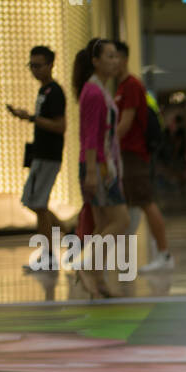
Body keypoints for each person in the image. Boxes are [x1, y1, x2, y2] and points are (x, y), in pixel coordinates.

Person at [73, 38, 129, 299]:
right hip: (100, 165)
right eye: (109, 56)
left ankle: (98, 280)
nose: (114, 61)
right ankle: (84, 263)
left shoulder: (98, 90)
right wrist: (94, 171)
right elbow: (91, 135)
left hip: (101, 163)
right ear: (95, 61)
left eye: (116, 56)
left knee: (104, 223)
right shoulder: (94, 92)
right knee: (121, 220)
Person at [111, 41, 173, 272]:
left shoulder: (130, 86)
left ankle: (164, 253)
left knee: (146, 202)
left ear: (124, 59)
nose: (112, 62)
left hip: (134, 154)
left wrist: (106, 146)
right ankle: (121, 256)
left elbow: (126, 124)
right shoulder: (121, 87)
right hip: (127, 154)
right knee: (133, 205)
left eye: (114, 57)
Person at [7, 46, 66, 272]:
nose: (34, 70)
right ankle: (66, 234)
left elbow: (60, 126)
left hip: (49, 155)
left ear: (50, 65)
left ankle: (49, 254)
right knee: (34, 202)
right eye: (31, 65)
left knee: (38, 204)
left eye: (38, 65)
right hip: (41, 154)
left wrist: (31, 118)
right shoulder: (44, 91)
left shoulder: (54, 92)